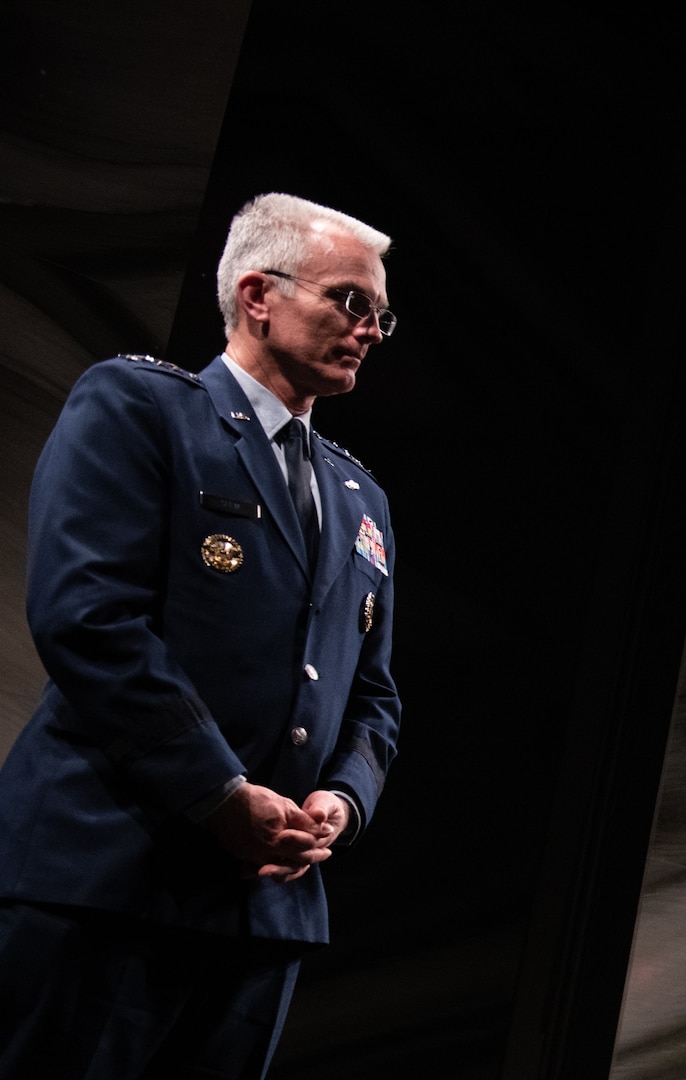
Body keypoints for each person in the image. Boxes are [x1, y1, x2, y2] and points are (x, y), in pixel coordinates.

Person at [0, 193, 402, 1078]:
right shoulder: (140, 407)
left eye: (380, 313)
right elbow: (88, 617)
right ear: (258, 294)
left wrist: (343, 800)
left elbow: (372, 694)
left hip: (264, 912)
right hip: (110, 876)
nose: (370, 328)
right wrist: (220, 792)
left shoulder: (360, 498)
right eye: (350, 301)